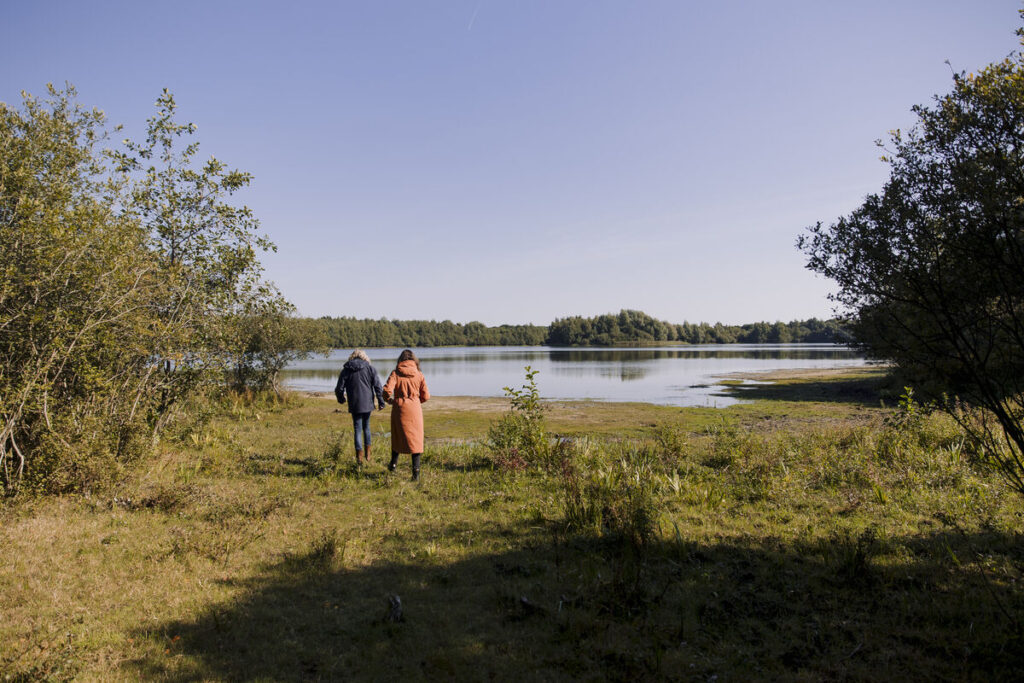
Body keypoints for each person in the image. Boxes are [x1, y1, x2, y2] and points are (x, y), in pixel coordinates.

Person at [382, 349, 430, 481]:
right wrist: (415, 401)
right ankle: (416, 473)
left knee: (397, 437)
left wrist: (389, 400)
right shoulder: (419, 374)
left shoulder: (396, 373)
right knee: (416, 441)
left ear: (400, 360)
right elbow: (426, 396)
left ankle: (392, 465)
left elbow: (386, 390)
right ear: (414, 361)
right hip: (415, 409)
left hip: (399, 408)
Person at [334, 349, 385, 466]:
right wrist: (381, 402)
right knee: (366, 427)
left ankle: (359, 458)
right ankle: (368, 454)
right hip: (367, 403)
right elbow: (378, 386)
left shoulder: (346, 370)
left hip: (354, 403)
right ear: (364, 357)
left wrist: (341, 399)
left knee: (357, 429)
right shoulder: (370, 368)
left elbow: (339, 388)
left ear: (352, 357)